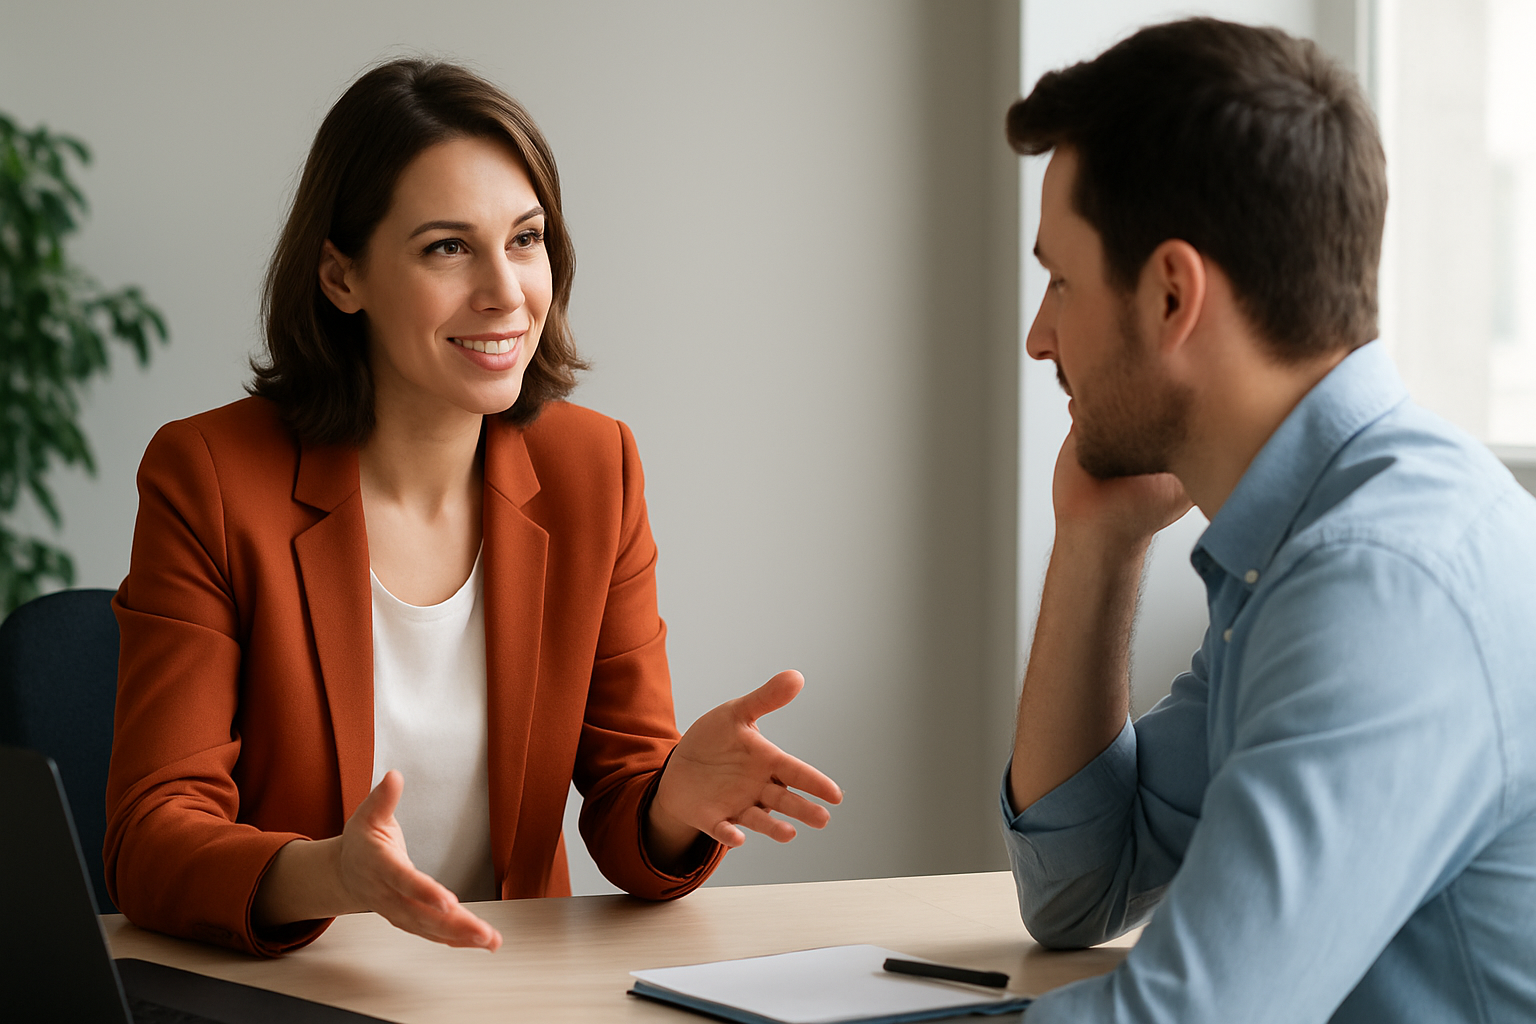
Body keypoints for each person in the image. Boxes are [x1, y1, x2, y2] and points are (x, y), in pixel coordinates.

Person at [104, 59, 841, 958]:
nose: (506, 292)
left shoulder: (593, 468)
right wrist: (333, 875)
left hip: (507, 989)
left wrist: (672, 801)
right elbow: (149, 837)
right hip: (300, 989)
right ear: (341, 277)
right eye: (447, 247)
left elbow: (624, 801)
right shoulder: (211, 476)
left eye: (525, 239)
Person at [999, 18, 1536, 1023]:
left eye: (1061, 281)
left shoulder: (1382, 584)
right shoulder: (1300, 549)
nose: (1041, 336)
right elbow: (1077, 889)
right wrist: (1095, 541)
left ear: (1170, 296)